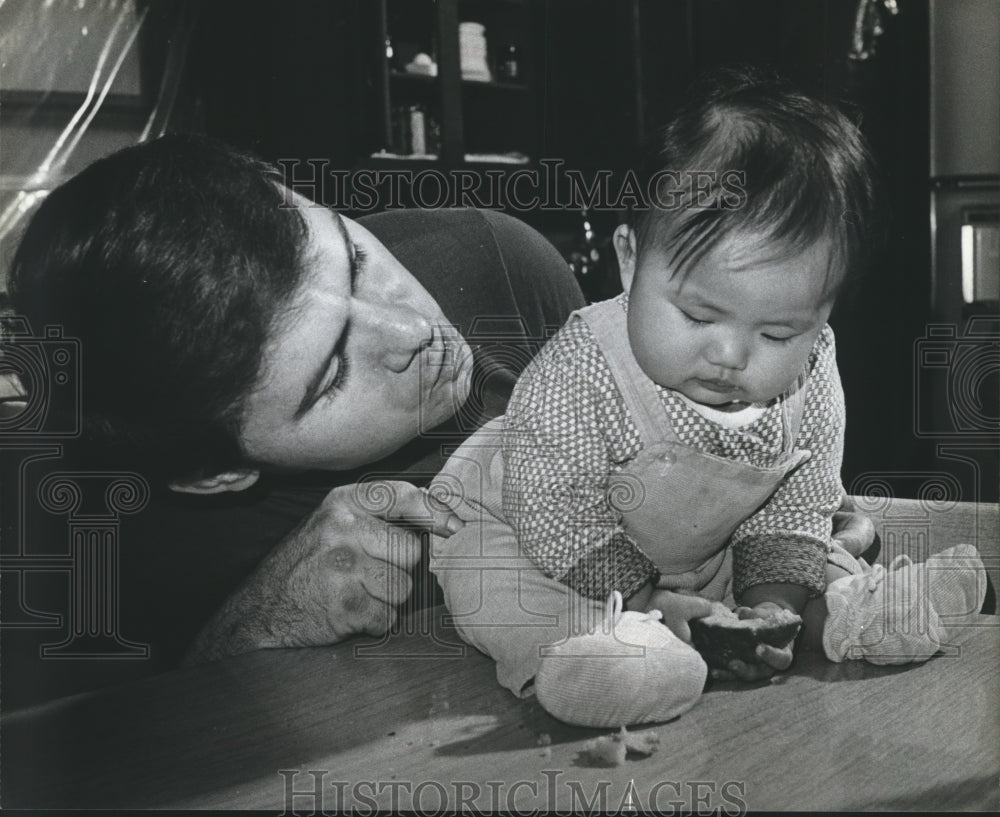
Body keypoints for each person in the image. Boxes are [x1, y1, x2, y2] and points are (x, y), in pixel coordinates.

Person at [3, 131, 874, 705]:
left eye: (350, 255)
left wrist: (763, 516)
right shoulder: (112, 545)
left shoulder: (499, 260)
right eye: (329, 372)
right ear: (216, 471)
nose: (413, 330)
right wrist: (256, 628)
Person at [429, 67, 987, 728]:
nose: (730, 355)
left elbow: (798, 498)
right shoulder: (582, 367)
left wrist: (769, 603)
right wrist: (645, 602)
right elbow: (556, 507)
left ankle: (854, 615)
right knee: (497, 584)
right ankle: (597, 655)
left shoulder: (811, 371)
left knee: (817, 549)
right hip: (531, 526)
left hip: (697, 552)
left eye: (778, 331)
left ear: (820, 317)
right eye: (698, 317)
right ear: (631, 260)